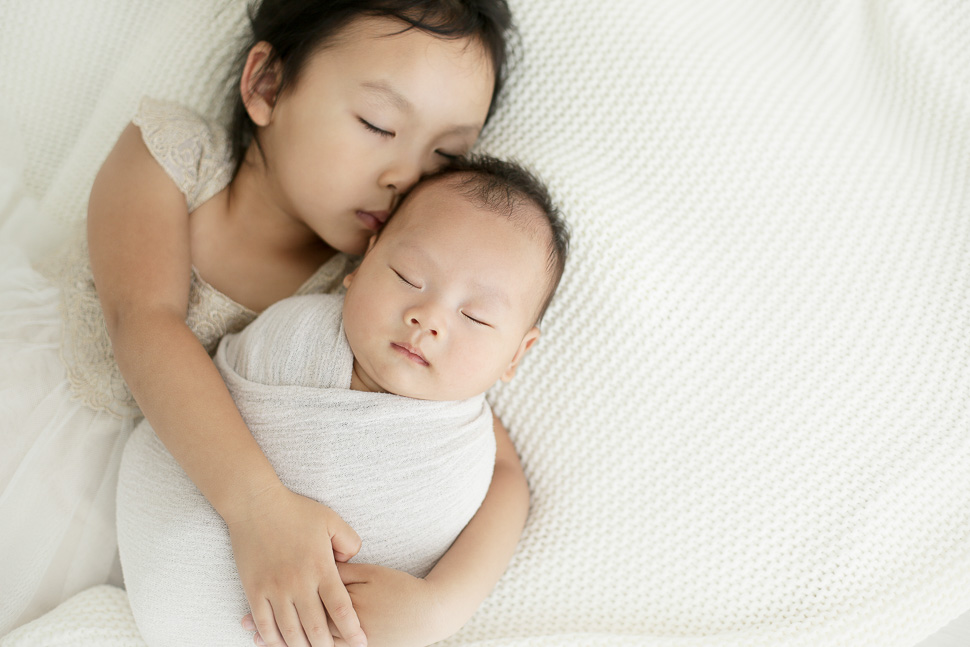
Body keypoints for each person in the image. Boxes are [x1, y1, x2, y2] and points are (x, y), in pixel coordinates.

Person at [0, 1, 530, 645]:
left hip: (157, 521)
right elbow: (143, 322)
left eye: (445, 157)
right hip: (31, 410)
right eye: (377, 123)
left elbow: (500, 467)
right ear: (267, 85)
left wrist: (443, 603)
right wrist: (260, 511)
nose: (406, 178)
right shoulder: (175, 158)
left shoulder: (367, 289)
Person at [116, 155, 569, 647]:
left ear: (515, 355)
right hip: (171, 564)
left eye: (477, 317)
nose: (428, 316)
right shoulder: (294, 331)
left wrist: (439, 606)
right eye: (407, 276)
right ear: (362, 264)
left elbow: (507, 485)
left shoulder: (467, 427)